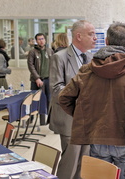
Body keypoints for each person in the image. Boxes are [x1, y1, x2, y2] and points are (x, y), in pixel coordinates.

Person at [58, 22, 125, 179]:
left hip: (97, 137)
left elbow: (64, 98)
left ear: (107, 41)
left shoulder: (87, 69)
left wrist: (83, 116)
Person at [48, 20, 97, 179]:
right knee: (70, 163)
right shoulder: (60, 57)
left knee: (83, 164)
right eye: (91, 34)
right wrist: (81, 95)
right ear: (79, 36)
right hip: (70, 118)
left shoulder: (91, 58)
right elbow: (56, 89)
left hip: (88, 120)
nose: (95, 38)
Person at [27, 33, 54, 125]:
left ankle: (45, 121)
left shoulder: (50, 51)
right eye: (39, 39)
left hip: (48, 79)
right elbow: (31, 66)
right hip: (36, 80)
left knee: (48, 100)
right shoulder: (32, 52)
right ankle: (30, 118)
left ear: (45, 40)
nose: (41, 41)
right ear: (36, 41)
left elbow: (53, 65)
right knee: (34, 100)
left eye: (42, 39)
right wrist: (37, 78)